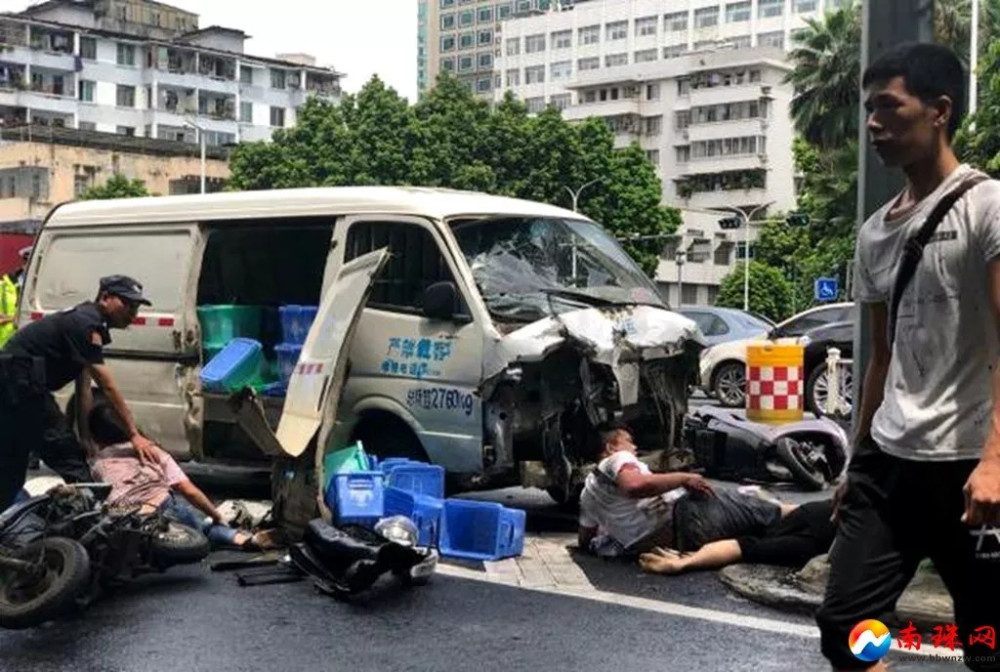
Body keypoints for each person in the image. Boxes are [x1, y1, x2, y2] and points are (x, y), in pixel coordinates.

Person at [816, 43, 1000, 672]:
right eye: (869, 109)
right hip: (890, 463)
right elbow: (880, 358)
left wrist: (997, 463)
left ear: (940, 109)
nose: (873, 123)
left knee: (988, 642)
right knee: (845, 625)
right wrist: (853, 461)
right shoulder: (874, 232)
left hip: (971, 466)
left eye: (888, 107)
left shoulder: (988, 206)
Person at [0, 275, 164, 510]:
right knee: (66, 452)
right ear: (106, 298)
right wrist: (134, 433)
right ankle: (97, 519)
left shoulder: (87, 322)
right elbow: (107, 385)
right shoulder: (87, 323)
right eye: (127, 304)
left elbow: (83, 384)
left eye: (136, 306)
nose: (132, 313)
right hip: (18, 381)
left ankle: (7, 526)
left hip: (13, 383)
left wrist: (85, 436)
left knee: (11, 462)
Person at [577, 422, 796, 558]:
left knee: (758, 531)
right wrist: (684, 478)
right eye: (628, 442)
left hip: (672, 541)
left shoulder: (587, 494)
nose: (634, 448)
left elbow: (584, 540)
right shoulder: (617, 459)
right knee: (761, 507)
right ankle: (815, 516)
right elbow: (635, 486)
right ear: (611, 447)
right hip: (686, 516)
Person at [87, 403, 256, 549]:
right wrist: (216, 516)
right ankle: (243, 539)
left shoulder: (96, 460)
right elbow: (188, 491)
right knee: (205, 528)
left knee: (102, 514)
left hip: (124, 514)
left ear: (94, 434)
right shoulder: (154, 452)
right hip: (163, 506)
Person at [638, 498, 835, 575]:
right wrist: (683, 564)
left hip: (814, 512)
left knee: (765, 522)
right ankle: (687, 558)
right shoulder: (807, 544)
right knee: (750, 546)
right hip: (816, 533)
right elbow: (739, 548)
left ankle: (691, 555)